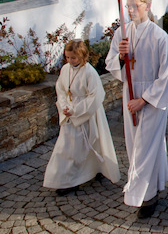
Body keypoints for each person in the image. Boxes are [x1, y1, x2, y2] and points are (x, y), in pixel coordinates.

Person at [106, 0, 168, 218]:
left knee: (144, 147)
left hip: (151, 100)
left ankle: (145, 197)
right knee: (134, 143)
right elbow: (110, 63)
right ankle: (154, 185)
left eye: (135, 6)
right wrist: (120, 55)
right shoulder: (122, 34)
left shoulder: (159, 36)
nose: (130, 10)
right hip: (130, 94)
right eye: (128, 6)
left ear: (147, 5)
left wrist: (144, 100)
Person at [44, 40, 120, 196]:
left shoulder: (90, 72)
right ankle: (67, 178)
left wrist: (77, 110)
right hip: (69, 113)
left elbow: (96, 96)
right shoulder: (65, 69)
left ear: (83, 56)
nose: (70, 61)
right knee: (67, 147)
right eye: (67, 57)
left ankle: (89, 172)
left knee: (85, 145)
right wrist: (65, 106)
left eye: (73, 58)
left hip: (85, 114)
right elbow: (61, 89)